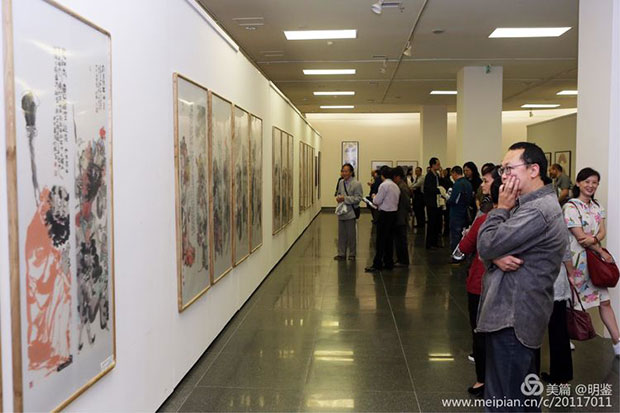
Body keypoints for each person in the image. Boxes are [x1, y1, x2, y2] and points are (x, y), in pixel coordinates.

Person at [477, 142, 567, 409]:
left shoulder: (537, 210)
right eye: (502, 170)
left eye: (509, 168)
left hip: (513, 317)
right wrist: (494, 256)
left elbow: (486, 244)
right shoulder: (528, 204)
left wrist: (500, 209)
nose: (504, 176)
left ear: (533, 170)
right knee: (518, 398)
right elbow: (489, 248)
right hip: (513, 314)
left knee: (506, 401)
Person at [563, 167, 620, 356]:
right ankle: (564, 338)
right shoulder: (571, 207)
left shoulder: (597, 206)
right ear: (578, 183)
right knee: (571, 303)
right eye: (587, 181)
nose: (591, 185)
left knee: (605, 301)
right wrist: (601, 251)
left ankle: (617, 342)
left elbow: (602, 231)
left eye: (594, 182)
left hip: (594, 264)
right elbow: (580, 238)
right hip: (576, 262)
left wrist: (594, 240)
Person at [458, 170, 501, 398]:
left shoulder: (485, 219)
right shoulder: (519, 219)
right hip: (506, 286)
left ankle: (482, 380)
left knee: (480, 331)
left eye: (486, 181)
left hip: (481, 282)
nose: (482, 185)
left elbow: (465, 246)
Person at [540, 241, 574, 384]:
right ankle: (561, 377)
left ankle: (528, 376)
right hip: (556, 280)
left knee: (530, 333)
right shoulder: (559, 226)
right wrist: (571, 274)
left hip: (533, 281)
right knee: (559, 331)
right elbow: (565, 252)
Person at [365, 166, 400, 272]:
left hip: (384, 214)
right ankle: (388, 262)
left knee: (380, 240)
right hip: (393, 214)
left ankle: (377, 264)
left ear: (383, 175)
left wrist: (373, 196)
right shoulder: (395, 186)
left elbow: (377, 201)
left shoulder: (384, 185)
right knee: (389, 240)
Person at [334, 163, 363, 261]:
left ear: (351, 172)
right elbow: (339, 193)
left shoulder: (356, 184)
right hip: (342, 211)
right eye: (343, 171)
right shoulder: (341, 182)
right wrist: (339, 198)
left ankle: (352, 254)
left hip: (351, 212)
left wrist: (345, 198)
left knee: (351, 235)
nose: (344, 173)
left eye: (346, 171)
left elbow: (358, 198)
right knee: (341, 234)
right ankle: (341, 253)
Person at [447, 166, 472, 254]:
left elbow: (453, 200)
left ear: (454, 173)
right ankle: (463, 253)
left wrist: (447, 199)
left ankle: (456, 255)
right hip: (465, 213)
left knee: (455, 237)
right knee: (463, 236)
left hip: (456, 214)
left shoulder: (457, 184)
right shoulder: (468, 183)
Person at [392, 167, 411, 267]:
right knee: (399, 239)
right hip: (400, 216)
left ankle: (403, 260)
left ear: (397, 177)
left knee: (401, 239)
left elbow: (405, 203)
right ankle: (401, 259)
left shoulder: (402, 187)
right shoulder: (400, 186)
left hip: (401, 216)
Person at [424, 157, 442, 249]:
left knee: (437, 223)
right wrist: (439, 190)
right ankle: (429, 243)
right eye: (438, 164)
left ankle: (435, 242)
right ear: (433, 165)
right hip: (431, 203)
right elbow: (428, 189)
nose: (439, 166)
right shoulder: (429, 176)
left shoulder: (437, 175)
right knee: (431, 223)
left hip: (437, 202)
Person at [440, 167, 453, 236]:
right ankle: (446, 231)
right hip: (446, 199)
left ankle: (446, 231)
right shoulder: (448, 181)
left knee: (446, 217)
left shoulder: (446, 181)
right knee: (446, 217)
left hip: (445, 200)